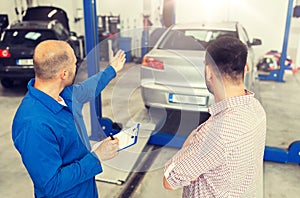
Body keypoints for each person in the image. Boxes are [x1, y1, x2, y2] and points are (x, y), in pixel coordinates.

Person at [12, 40, 126, 198]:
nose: (76, 66)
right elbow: (50, 185)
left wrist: (112, 69)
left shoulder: (65, 95)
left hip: (85, 190)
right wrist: (97, 156)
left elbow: (90, 87)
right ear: (64, 73)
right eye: (74, 62)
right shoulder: (33, 124)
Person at [163, 36, 266, 197]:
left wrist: (190, 148)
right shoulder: (256, 109)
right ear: (246, 69)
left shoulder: (215, 134)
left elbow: (170, 179)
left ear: (209, 72)